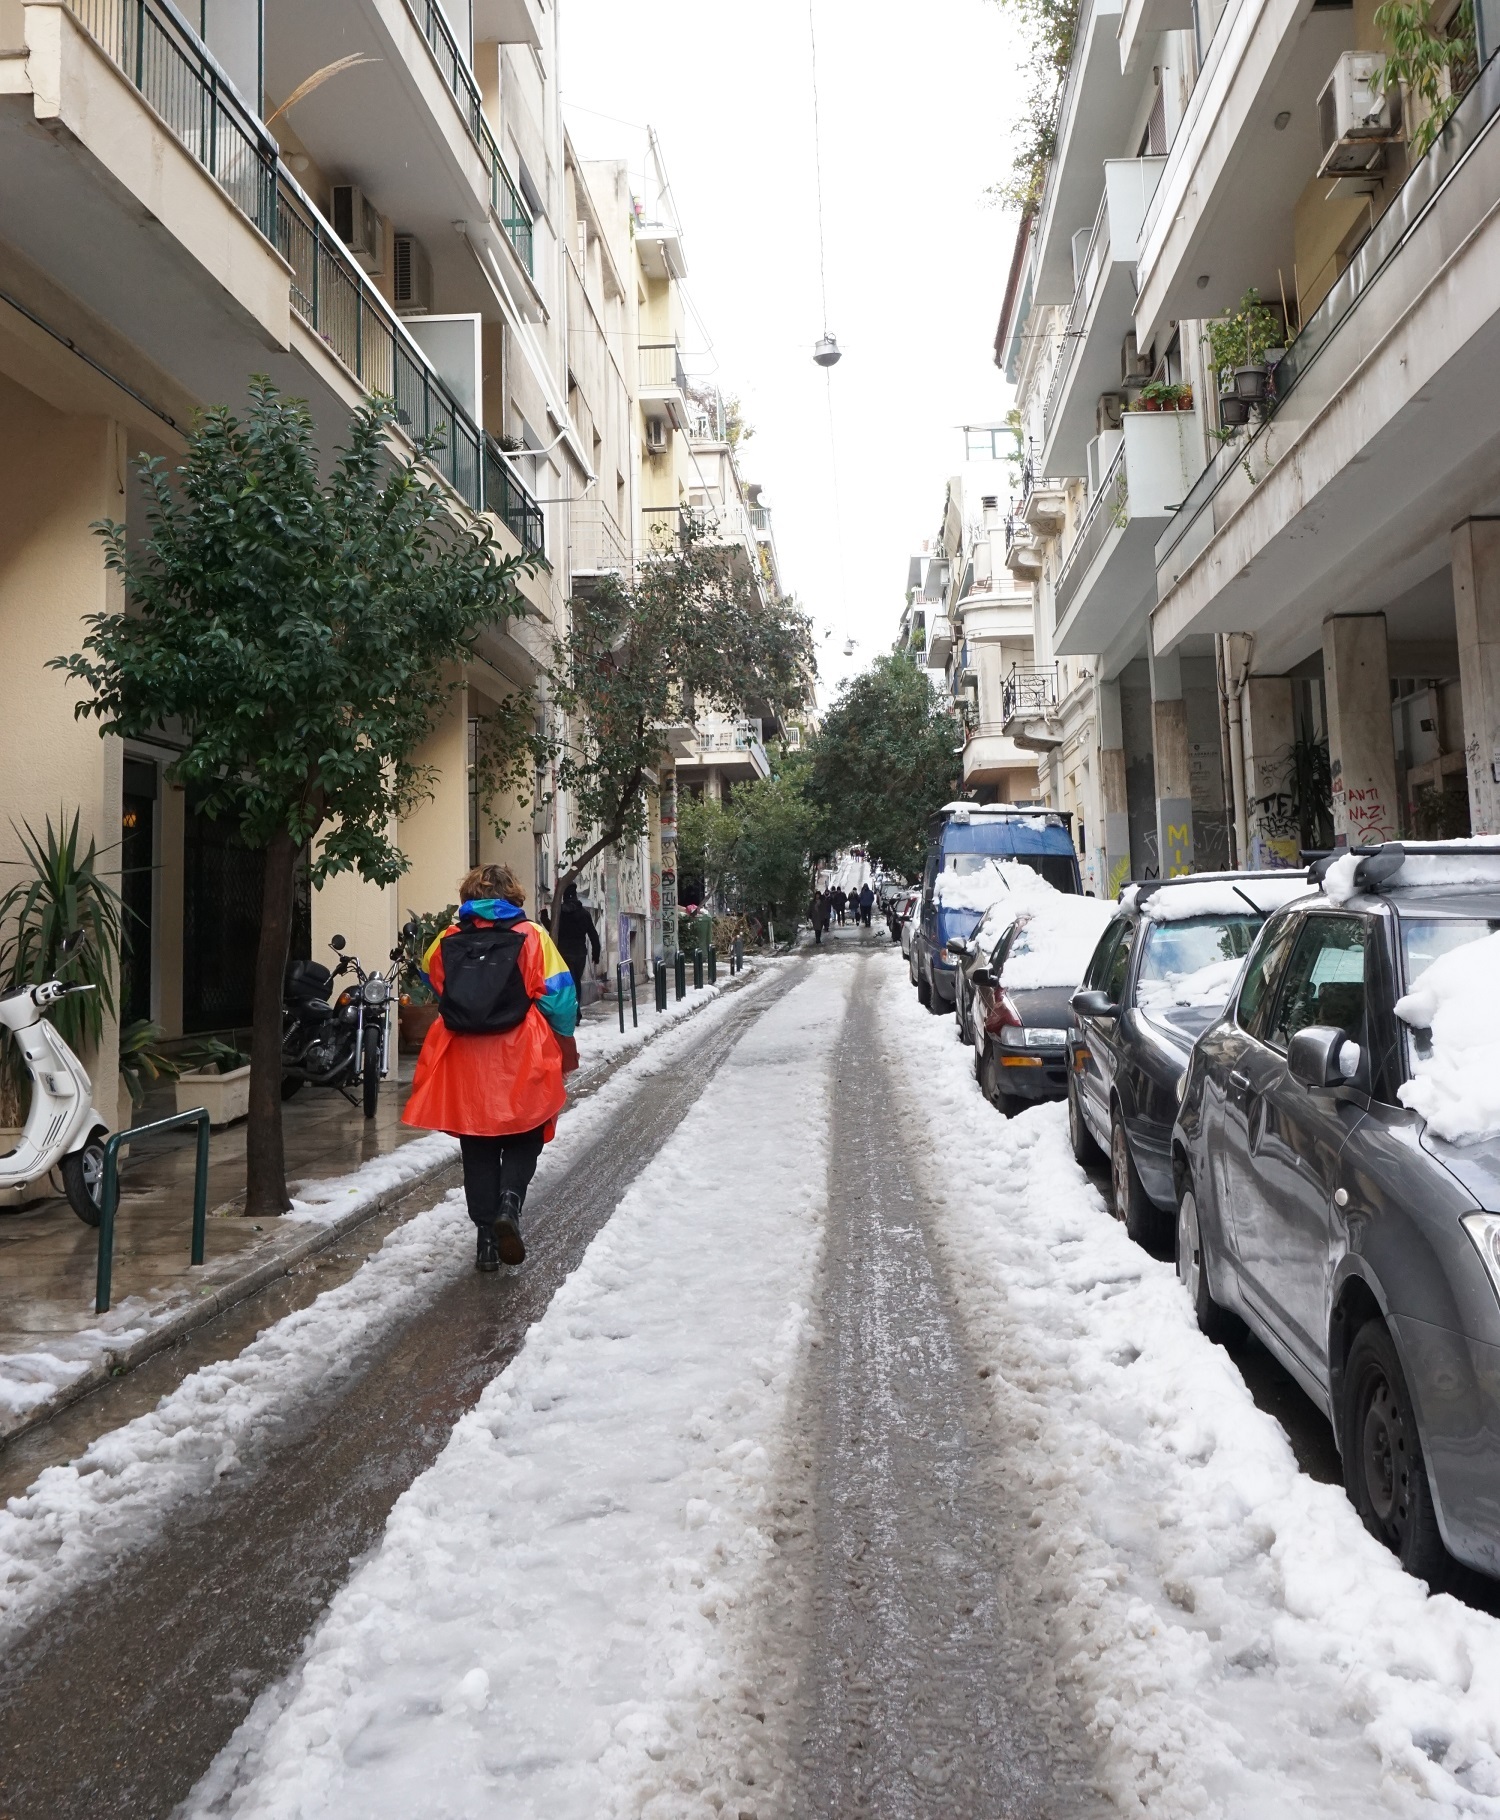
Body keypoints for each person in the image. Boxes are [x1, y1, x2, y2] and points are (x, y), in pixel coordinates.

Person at [403, 863, 578, 1272]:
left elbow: (436, 980)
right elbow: (560, 997)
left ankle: (485, 1240)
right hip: (521, 1053)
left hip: (465, 1059)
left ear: (469, 898)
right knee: (527, 1130)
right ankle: (510, 1201)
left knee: (477, 1144)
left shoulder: (446, 940)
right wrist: (562, 1038)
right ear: (513, 895)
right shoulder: (532, 936)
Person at [556, 881, 601, 990]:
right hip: (580, 954)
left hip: (564, 953)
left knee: (567, 984)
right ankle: (577, 1005)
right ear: (575, 895)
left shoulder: (560, 913)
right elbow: (593, 935)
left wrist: (543, 915)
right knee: (576, 982)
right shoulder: (584, 913)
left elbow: (552, 928)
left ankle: (569, 1006)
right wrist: (596, 955)